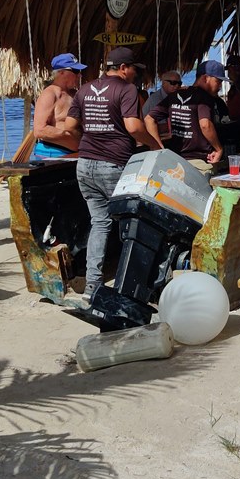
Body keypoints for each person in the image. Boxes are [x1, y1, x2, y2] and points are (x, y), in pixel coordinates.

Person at [64, 47, 162, 301]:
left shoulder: (85, 89)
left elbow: (70, 125)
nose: (135, 74)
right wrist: (154, 144)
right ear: (123, 68)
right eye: (134, 69)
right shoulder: (126, 89)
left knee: (100, 223)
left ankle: (92, 286)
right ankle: (130, 285)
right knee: (133, 222)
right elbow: (133, 126)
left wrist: (91, 138)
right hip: (113, 164)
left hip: (85, 164)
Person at [144, 60, 228, 176]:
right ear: (205, 78)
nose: (220, 86)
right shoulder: (204, 97)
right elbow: (205, 125)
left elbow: (149, 119)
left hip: (177, 163)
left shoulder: (174, 95)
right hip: (200, 163)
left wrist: (158, 147)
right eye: (218, 81)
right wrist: (219, 149)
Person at [31, 53, 86, 158]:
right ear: (61, 72)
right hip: (52, 154)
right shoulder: (49, 94)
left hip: (75, 154)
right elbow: (39, 130)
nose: (79, 75)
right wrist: (70, 135)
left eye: (79, 71)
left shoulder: (75, 94)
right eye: (75, 71)